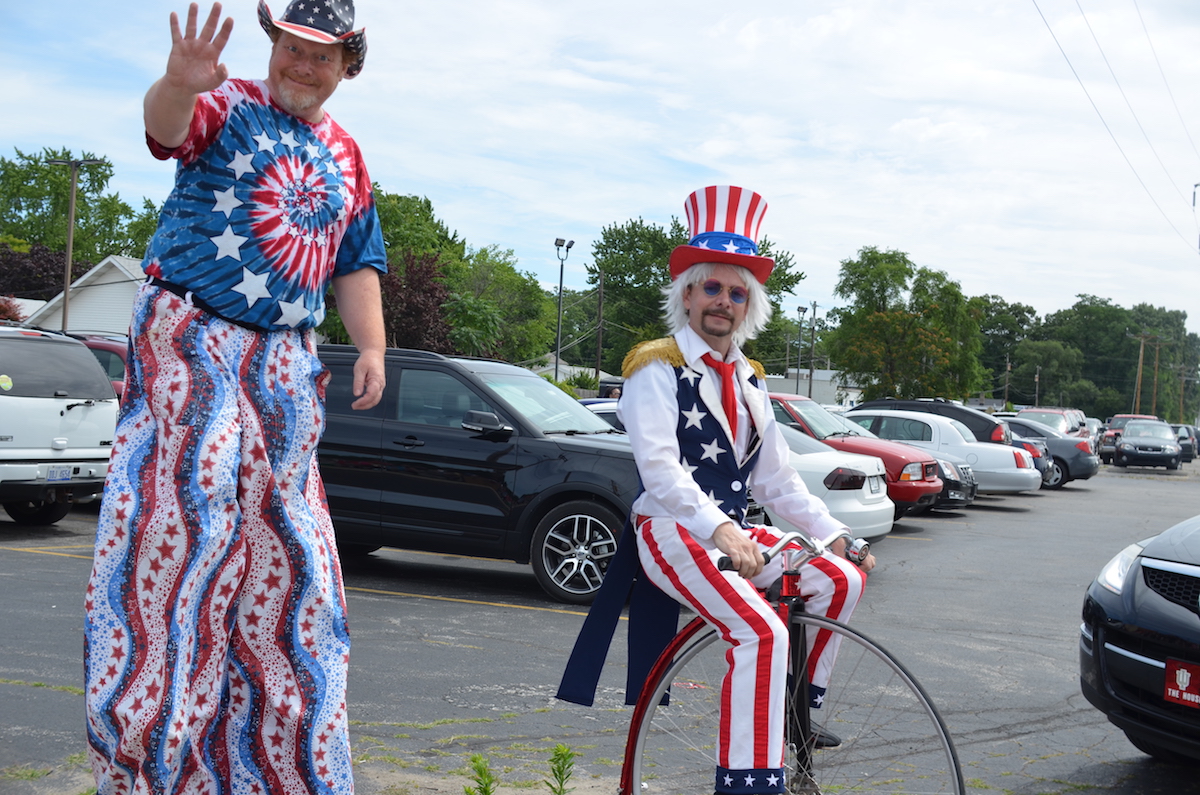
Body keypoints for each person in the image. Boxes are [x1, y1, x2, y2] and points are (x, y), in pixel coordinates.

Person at [83, 2, 386, 792]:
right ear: (274, 47)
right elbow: (166, 129)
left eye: (322, 56)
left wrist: (374, 345)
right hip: (194, 335)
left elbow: (356, 260)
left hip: (286, 361)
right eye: (293, 48)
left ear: (347, 65)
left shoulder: (347, 156)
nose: (303, 65)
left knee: (293, 560)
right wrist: (178, 82)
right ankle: (148, 763)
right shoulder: (225, 105)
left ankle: (281, 770)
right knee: (181, 529)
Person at [558, 185, 875, 795]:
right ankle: (747, 780)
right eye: (711, 287)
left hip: (732, 534)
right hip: (674, 532)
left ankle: (791, 712)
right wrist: (721, 529)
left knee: (840, 580)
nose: (723, 302)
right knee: (761, 630)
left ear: (750, 304)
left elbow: (776, 480)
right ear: (686, 293)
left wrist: (834, 536)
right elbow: (661, 470)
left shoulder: (752, 380)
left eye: (736, 292)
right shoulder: (656, 365)